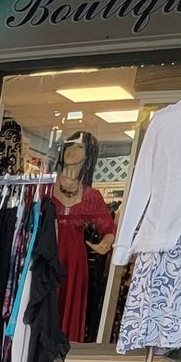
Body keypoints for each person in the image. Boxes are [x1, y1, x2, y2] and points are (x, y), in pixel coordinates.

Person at [51, 132, 117, 342]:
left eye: (79, 147)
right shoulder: (45, 186)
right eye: (69, 145)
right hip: (46, 253)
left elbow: (108, 229)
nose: (71, 150)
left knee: (68, 307)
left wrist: (105, 244)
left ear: (88, 155)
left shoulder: (91, 196)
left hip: (74, 260)